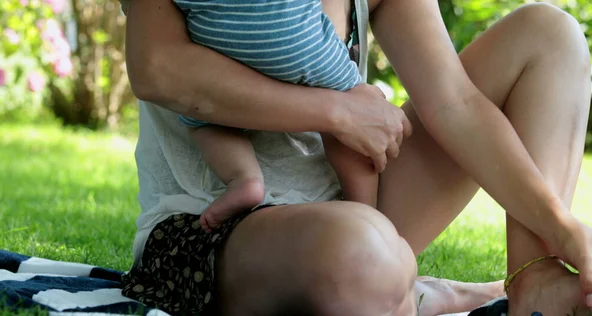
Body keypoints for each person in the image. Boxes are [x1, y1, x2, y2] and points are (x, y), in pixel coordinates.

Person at [119, 0, 592, 314]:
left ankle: (536, 285)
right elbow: (157, 69)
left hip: (357, 205)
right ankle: (413, 290)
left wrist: (561, 228)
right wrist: (337, 111)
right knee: (362, 256)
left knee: (551, 36)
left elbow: (455, 105)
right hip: (211, 227)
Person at [172, 0, 379, 232]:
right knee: (354, 111)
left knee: (205, 116)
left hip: (213, 33)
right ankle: (366, 214)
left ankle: (244, 179)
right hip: (287, 28)